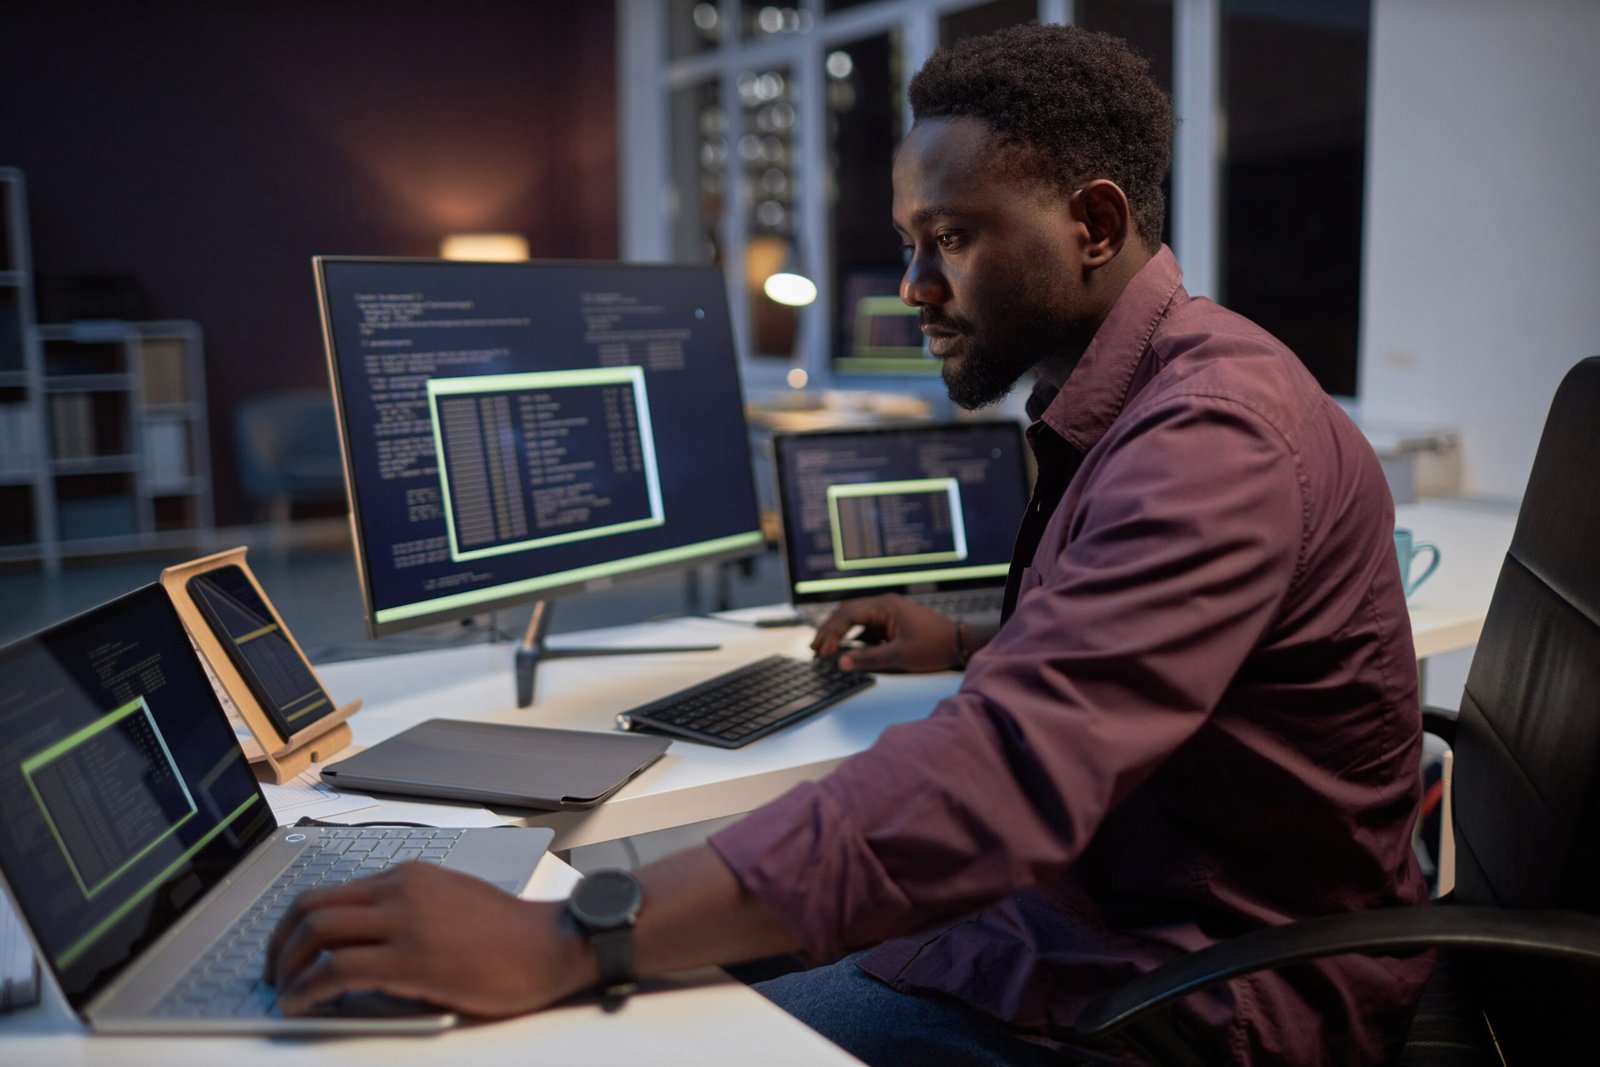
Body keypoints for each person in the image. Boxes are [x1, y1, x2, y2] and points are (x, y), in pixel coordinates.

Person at [265, 23, 1430, 1064]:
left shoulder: (1211, 436)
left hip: (1201, 986)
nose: (913, 287)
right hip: (1112, 910)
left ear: (1094, 223)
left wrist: (569, 932)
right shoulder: (1153, 386)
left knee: (631, 1016)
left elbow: (1005, 776)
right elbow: (1126, 655)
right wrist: (977, 636)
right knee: (701, 952)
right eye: (909, 241)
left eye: (952, 238)